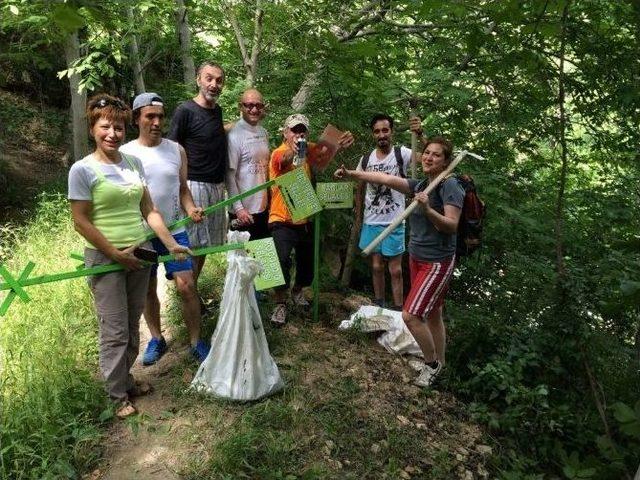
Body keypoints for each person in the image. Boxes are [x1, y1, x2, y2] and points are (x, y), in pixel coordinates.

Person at [68, 94, 192, 418]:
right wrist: (113, 253)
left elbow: (148, 210)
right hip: (106, 257)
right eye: (105, 126)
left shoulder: (133, 163)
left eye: (118, 127)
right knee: (114, 329)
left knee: (132, 322)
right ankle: (116, 395)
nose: (113, 133)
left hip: (141, 251)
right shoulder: (82, 170)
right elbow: (80, 220)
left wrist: (170, 243)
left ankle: (126, 379)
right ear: (93, 128)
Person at [335, 136, 464, 387]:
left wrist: (427, 209)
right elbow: (384, 179)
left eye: (436, 155)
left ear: (447, 161)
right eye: (427, 152)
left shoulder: (450, 186)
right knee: (435, 313)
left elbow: (451, 226)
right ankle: (442, 363)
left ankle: (431, 366)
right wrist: (353, 173)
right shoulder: (421, 184)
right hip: (417, 258)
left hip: (437, 262)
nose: (428, 157)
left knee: (411, 316)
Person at [120, 92, 210, 365]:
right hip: (142, 233)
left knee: (187, 285)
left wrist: (191, 208)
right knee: (148, 288)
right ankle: (157, 339)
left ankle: (196, 341)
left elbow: (183, 190)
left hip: (175, 230)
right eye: (150, 116)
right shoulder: (125, 153)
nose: (157, 122)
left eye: (160, 116)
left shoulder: (176, 150)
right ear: (137, 119)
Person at [269, 114, 354, 325]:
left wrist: (342, 141)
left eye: (302, 131)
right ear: (285, 132)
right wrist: (296, 151)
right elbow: (283, 161)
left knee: (308, 262)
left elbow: (326, 152)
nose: (299, 134)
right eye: (294, 130)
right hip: (281, 217)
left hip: (304, 215)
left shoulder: (309, 148)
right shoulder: (278, 152)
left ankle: (297, 291)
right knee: (280, 260)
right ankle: (280, 303)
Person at [168, 61, 227, 283]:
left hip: (216, 185)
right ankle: (186, 291)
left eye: (219, 80)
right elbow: (171, 147)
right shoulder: (185, 110)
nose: (214, 84)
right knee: (191, 243)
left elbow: (213, 134)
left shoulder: (217, 111)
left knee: (205, 245)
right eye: (209, 78)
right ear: (198, 80)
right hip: (193, 185)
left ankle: (192, 290)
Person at [356, 114, 423, 310]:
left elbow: (427, 159)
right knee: (376, 266)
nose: (381, 134)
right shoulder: (366, 159)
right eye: (377, 131)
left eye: (385, 130)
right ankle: (379, 304)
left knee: (395, 270)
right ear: (372, 134)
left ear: (391, 131)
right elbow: (359, 186)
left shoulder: (401, 153)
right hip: (372, 220)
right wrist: (359, 215)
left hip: (395, 220)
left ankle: (398, 308)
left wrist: (420, 135)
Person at [225, 88, 270, 240]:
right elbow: (229, 176)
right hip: (243, 212)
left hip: (263, 209)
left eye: (258, 105)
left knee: (263, 260)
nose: (254, 109)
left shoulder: (263, 132)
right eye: (249, 105)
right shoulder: (234, 135)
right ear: (241, 107)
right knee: (242, 261)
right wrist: (239, 209)